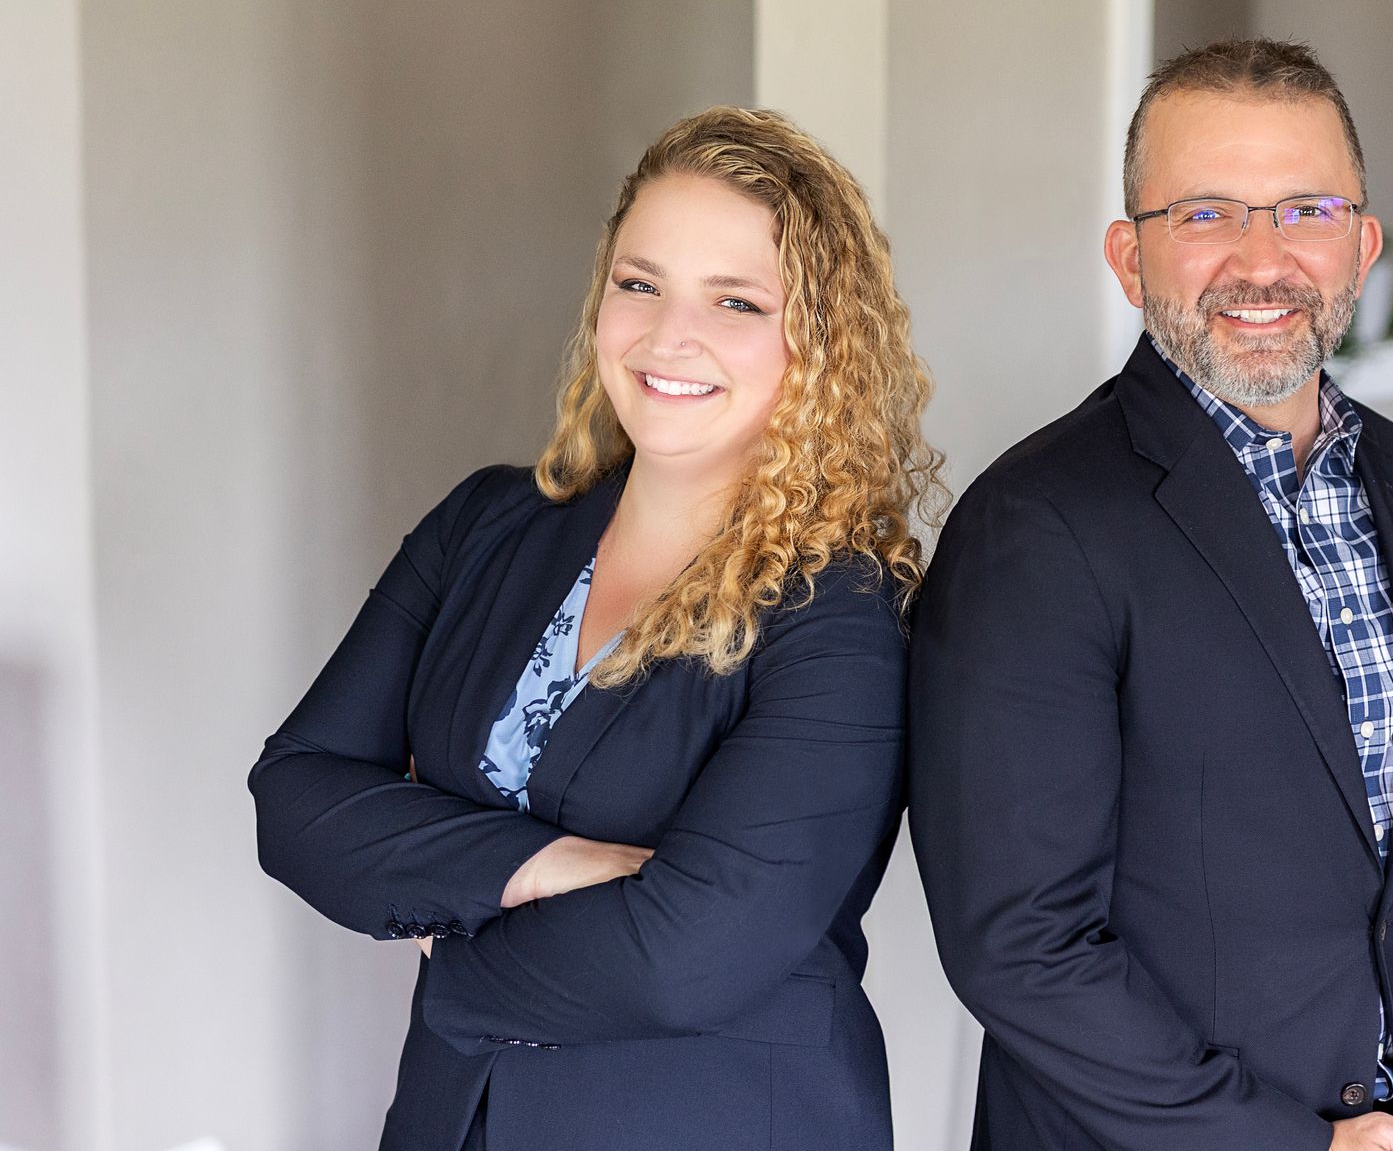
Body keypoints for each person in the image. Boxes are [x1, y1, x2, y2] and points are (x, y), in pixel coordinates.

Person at [251, 106, 942, 1151]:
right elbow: (296, 794)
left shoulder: (839, 611)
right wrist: (546, 863)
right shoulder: (486, 523)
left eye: (738, 301)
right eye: (640, 281)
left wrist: (460, 961)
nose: (670, 336)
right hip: (451, 1117)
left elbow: (689, 953)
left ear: (819, 344)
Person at [908, 39, 1393, 1151]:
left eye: (1306, 210)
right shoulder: (1034, 530)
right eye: (1204, 214)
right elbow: (1022, 945)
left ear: (1362, 245)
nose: (1262, 258)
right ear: (1128, 257)